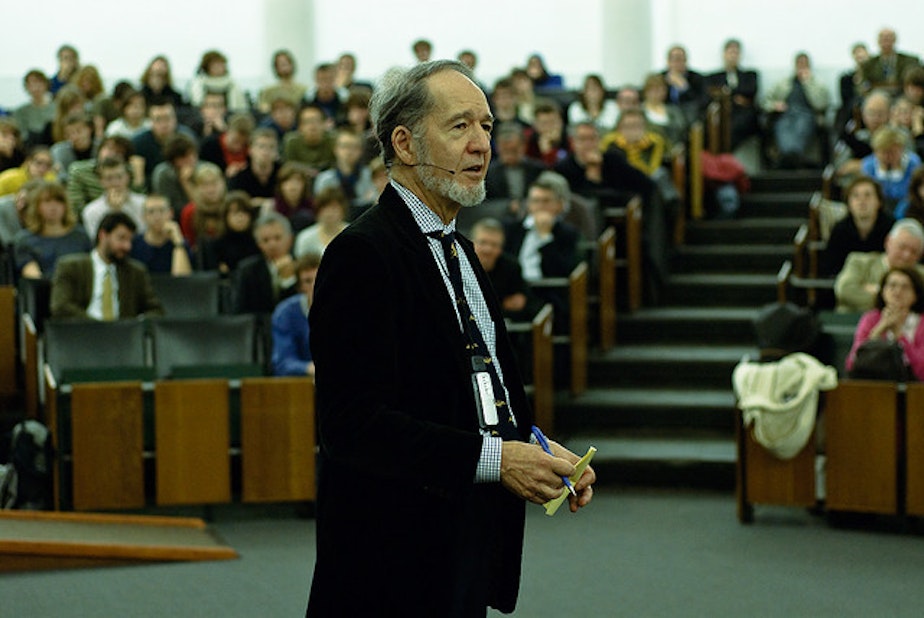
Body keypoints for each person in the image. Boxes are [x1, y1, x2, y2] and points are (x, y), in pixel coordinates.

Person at [306, 60, 594, 617]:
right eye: (460, 126)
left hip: (464, 547)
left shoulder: (459, 250)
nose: (482, 144)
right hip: (389, 567)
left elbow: (473, 386)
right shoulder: (361, 254)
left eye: (487, 126)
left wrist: (532, 449)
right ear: (405, 144)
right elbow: (353, 426)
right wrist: (497, 459)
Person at [50, 211, 164, 320]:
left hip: (123, 336)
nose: (127, 246)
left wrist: (135, 325)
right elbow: (61, 306)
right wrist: (99, 328)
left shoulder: (136, 272)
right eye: (121, 238)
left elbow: (155, 310)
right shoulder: (71, 267)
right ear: (103, 235)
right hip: (82, 334)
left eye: (130, 240)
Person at [846, 266, 924, 380]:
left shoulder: (921, 322)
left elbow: (921, 371)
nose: (897, 291)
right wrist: (880, 329)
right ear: (883, 291)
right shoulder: (870, 319)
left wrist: (899, 334)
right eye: (892, 285)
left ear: (916, 294)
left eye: (905, 287)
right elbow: (852, 364)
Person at [834, 218, 924, 313]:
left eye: (914, 251)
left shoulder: (921, 275)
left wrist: (876, 291)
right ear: (888, 242)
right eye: (902, 247)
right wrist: (897, 299)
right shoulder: (860, 262)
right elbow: (844, 291)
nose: (907, 255)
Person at [762, 52, 831, 169]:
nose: (802, 66)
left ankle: (790, 157)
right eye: (799, 63)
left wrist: (808, 84)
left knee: (801, 127)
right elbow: (765, 102)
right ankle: (791, 156)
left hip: (807, 115)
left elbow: (821, 104)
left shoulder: (817, 84)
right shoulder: (783, 83)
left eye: (804, 64)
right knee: (783, 129)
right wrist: (775, 105)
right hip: (785, 115)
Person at [12, 181, 91, 280]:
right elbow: (32, 275)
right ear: (37, 206)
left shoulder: (81, 236)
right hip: (43, 290)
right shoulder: (25, 240)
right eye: (47, 201)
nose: (53, 206)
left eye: (59, 201)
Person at [821, 176, 895, 277]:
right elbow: (831, 267)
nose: (862, 201)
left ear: (879, 202)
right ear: (848, 204)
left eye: (867, 195)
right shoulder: (840, 230)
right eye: (856, 196)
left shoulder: (892, 227)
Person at [471, 217, 542, 322]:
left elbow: (523, 301)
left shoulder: (511, 267)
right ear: (471, 242)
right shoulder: (458, 265)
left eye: (494, 245)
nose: (488, 249)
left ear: (501, 248)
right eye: (483, 243)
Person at [231, 212, 297, 314]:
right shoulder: (247, 270)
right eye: (266, 240)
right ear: (259, 244)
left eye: (277, 238)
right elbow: (239, 311)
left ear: (290, 239)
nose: (272, 245)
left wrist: (288, 281)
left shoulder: (303, 267)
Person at [270, 252, 320, 377]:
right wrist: (310, 368)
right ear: (300, 287)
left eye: (319, 278)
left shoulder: (346, 309)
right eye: (308, 281)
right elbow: (283, 363)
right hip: (303, 384)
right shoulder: (285, 313)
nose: (315, 286)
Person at [705, 39, 760, 150]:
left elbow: (750, 91)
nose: (733, 56)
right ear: (724, 54)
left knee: (736, 126)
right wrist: (734, 96)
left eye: (736, 53)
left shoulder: (750, 75)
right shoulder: (713, 77)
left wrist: (727, 93)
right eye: (730, 52)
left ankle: (726, 151)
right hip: (722, 113)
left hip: (743, 114)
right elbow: (711, 94)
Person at [484, 122, 546, 217]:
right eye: (505, 151)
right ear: (497, 147)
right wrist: (507, 206)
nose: (510, 156)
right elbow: (484, 206)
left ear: (523, 146)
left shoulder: (538, 170)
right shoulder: (487, 173)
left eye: (514, 150)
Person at [80, 157, 146, 240]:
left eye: (119, 177)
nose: (115, 183)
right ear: (101, 182)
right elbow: (99, 244)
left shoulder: (143, 203)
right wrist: (115, 211)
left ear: (127, 177)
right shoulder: (91, 211)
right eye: (109, 178)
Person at [128, 194, 193, 276]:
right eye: (151, 212)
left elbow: (182, 279)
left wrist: (178, 243)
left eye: (162, 211)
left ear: (170, 213)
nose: (157, 217)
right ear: (143, 217)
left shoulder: (180, 243)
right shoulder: (134, 244)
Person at [860, 125, 922, 210]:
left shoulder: (914, 164)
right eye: (884, 152)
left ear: (902, 149)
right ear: (875, 151)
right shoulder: (868, 166)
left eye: (893, 152)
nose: (888, 157)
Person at [313, 129, 377, 209]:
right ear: (336, 149)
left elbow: (374, 201)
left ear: (360, 151)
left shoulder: (371, 176)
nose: (349, 152)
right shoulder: (324, 179)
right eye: (345, 146)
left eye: (354, 147)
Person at [198, 190, 260, 273]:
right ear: (226, 216)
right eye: (235, 212)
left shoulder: (258, 241)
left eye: (244, 211)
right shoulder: (216, 245)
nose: (240, 216)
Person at [859, 28, 922, 96]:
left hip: (903, 94)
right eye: (883, 39)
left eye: (888, 38)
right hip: (877, 95)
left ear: (894, 40)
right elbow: (863, 85)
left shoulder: (910, 61)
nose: (886, 41)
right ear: (878, 41)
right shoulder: (869, 64)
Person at [179, 162, 226, 252]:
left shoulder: (230, 206)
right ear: (197, 188)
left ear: (222, 183)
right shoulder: (189, 212)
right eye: (205, 185)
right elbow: (189, 244)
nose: (211, 189)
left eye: (214, 183)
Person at [229, 128, 281, 210]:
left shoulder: (284, 174)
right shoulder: (239, 178)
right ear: (251, 150)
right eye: (261, 146)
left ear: (276, 151)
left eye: (271, 147)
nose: (266, 152)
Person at [151, 133, 200, 217]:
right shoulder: (164, 174)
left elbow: (203, 205)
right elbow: (173, 207)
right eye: (185, 157)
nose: (191, 160)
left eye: (193, 155)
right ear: (174, 160)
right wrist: (185, 182)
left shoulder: (202, 169)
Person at [293, 186, 348, 257]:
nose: (329, 213)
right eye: (325, 208)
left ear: (343, 210)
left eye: (334, 208)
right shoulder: (305, 238)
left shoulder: (354, 236)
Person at [661, 45, 708, 127]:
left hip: (689, 116)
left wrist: (685, 88)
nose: (678, 63)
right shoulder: (660, 78)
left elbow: (701, 102)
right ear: (668, 62)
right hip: (665, 115)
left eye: (682, 59)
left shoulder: (697, 78)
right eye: (675, 59)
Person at [283, 104, 336, 173]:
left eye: (316, 121)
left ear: (324, 124)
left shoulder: (333, 141)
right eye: (307, 122)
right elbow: (288, 167)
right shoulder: (292, 142)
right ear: (300, 127)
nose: (312, 126)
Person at [199, 111, 252, 178]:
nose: (238, 147)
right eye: (235, 141)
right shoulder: (209, 147)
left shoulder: (249, 152)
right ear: (228, 131)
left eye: (242, 144)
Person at [641, 72, 687, 147]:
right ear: (646, 91)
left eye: (662, 90)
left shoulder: (674, 110)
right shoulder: (639, 111)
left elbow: (681, 130)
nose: (659, 93)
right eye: (655, 89)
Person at [257, 50, 308, 114]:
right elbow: (263, 108)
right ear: (276, 68)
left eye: (286, 63)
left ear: (292, 65)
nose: (284, 67)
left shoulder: (303, 89)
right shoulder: (268, 91)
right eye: (280, 64)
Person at [524, 98, 571, 167]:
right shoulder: (527, 141)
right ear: (535, 125)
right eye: (544, 123)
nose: (549, 128)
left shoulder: (571, 141)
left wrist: (549, 152)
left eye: (553, 122)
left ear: (561, 123)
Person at [14, 70, 55, 147]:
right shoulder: (20, 112)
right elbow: (22, 136)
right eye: (31, 84)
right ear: (26, 87)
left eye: (38, 83)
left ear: (46, 84)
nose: (35, 88)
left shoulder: (57, 108)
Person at [837, 43, 871, 132]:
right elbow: (845, 100)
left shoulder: (874, 76)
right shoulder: (846, 78)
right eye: (858, 56)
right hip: (852, 110)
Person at [272, 162, 315, 233]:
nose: (292, 186)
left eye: (297, 181)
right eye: (287, 181)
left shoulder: (313, 207)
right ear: (281, 185)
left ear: (304, 185)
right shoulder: (273, 209)